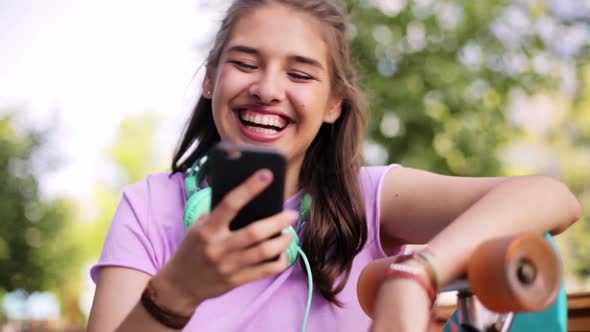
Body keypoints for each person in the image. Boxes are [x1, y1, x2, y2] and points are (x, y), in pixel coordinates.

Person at [86, 0, 582, 331]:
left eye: (299, 73)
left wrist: (417, 274)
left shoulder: (370, 197)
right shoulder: (148, 206)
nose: (268, 88)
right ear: (210, 79)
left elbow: (552, 198)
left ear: (332, 105)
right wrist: (175, 294)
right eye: (244, 63)